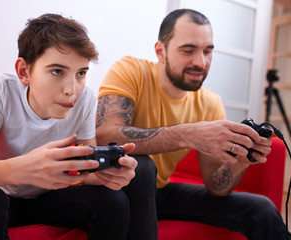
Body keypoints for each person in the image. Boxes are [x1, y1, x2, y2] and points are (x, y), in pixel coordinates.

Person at [96, 8, 290, 240]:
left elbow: (216, 187)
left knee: (261, 208)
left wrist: (240, 159)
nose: (201, 62)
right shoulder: (130, 70)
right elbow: (106, 136)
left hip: (160, 193)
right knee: (141, 165)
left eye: (208, 52)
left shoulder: (210, 103)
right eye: (188, 50)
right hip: (116, 190)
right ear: (161, 51)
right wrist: (188, 134)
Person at [0, 13, 143, 240]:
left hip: (48, 198)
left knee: (114, 201)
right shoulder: (0, 89)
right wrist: (24, 168)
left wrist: (108, 175)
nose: (72, 89)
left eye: (81, 73)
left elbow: (87, 169)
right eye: (57, 72)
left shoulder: (85, 99)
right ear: (24, 72)